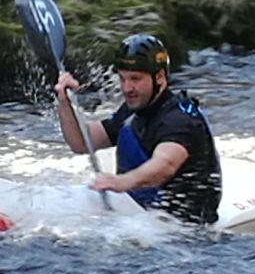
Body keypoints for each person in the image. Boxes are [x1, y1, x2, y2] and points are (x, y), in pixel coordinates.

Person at [54, 34, 222, 225]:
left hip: (183, 231)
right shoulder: (132, 111)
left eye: (135, 79)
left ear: (159, 77)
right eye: (123, 78)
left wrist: (121, 183)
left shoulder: (180, 119)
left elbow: (165, 166)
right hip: (140, 217)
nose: (127, 88)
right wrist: (64, 102)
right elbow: (81, 142)